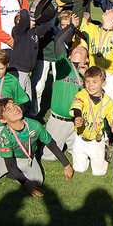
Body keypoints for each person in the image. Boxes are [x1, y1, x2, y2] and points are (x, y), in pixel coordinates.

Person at [0, 98, 73, 193]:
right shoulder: (6, 136)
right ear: (3, 120)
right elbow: (9, 163)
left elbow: (51, 144)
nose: (15, 109)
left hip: (27, 158)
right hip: (7, 160)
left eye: (15, 105)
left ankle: (14, 174)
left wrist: (66, 165)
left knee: (38, 181)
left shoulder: (35, 125)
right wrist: (25, 183)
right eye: (9, 109)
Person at [41, 25, 88, 161]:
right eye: (76, 48)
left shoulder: (90, 73)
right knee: (48, 157)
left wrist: (86, 77)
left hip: (77, 123)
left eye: (83, 49)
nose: (79, 48)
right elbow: (58, 41)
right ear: (69, 54)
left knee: (80, 158)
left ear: (87, 59)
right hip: (58, 122)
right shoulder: (63, 64)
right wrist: (72, 26)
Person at [69, 66, 113, 176]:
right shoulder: (82, 94)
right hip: (80, 138)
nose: (90, 85)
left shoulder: (107, 101)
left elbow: (112, 115)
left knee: (99, 173)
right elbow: (77, 105)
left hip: (95, 140)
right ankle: (84, 157)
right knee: (79, 169)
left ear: (103, 83)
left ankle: (104, 148)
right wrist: (78, 117)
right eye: (87, 81)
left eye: (94, 82)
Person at [10, 9, 54, 117]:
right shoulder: (18, 31)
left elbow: (48, 25)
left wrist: (42, 15)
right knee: (17, 102)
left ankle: (26, 123)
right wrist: (28, 10)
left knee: (27, 101)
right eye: (30, 18)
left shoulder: (34, 32)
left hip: (26, 73)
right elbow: (24, 18)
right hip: (17, 73)